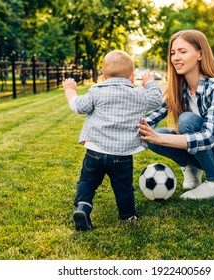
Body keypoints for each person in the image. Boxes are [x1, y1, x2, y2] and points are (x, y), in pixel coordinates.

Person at [137, 30, 214, 200]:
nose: (176, 57)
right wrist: (125, 130)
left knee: (186, 121)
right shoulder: (179, 88)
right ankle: (192, 170)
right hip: (206, 150)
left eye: (183, 52)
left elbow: (209, 137)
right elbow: (152, 118)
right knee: (151, 135)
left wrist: (159, 139)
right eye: (173, 53)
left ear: (199, 54)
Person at [63, 50, 163, 231]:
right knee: (123, 187)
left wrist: (70, 90)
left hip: (95, 151)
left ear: (102, 76)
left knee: (87, 181)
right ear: (132, 77)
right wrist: (149, 83)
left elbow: (77, 106)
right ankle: (128, 216)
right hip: (122, 155)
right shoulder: (138, 95)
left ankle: (83, 207)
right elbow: (157, 99)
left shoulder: (96, 92)